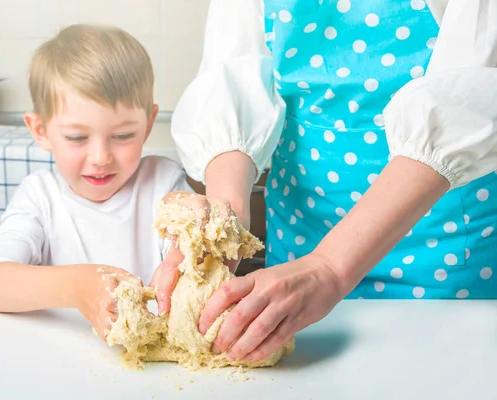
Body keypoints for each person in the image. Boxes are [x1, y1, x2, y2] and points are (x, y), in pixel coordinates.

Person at [151, 0, 497, 363]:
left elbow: (471, 92)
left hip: (446, 256)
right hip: (297, 250)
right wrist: (226, 219)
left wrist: (329, 268)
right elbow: (235, 73)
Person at [0, 24, 192, 340]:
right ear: (41, 130)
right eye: (77, 137)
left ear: (147, 125)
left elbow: (191, 257)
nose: (101, 157)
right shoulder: (39, 197)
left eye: (123, 135)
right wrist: (78, 287)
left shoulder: (163, 184)